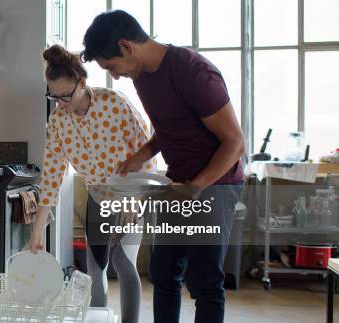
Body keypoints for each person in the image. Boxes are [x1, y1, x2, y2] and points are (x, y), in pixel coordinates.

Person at [81, 10, 245, 323]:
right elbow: (172, 125)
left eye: (112, 67)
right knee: (164, 273)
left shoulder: (192, 72)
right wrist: (141, 155)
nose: (115, 77)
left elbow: (235, 143)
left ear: (127, 47)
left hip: (215, 184)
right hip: (177, 184)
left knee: (204, 283)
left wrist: (195, 188)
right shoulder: (142, 75)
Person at [29, 44, 154, 323]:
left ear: (82, 83)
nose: (61, 103)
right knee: (96, 268)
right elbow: (51, 176)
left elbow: (145, 153)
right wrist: (36, 231)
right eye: (54, 96)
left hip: (130, 196)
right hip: (98, 198)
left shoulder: (114, 103)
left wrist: (134, 199)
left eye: (65, 95)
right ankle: (100, 318)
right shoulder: (58, 121)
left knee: (124, 262)